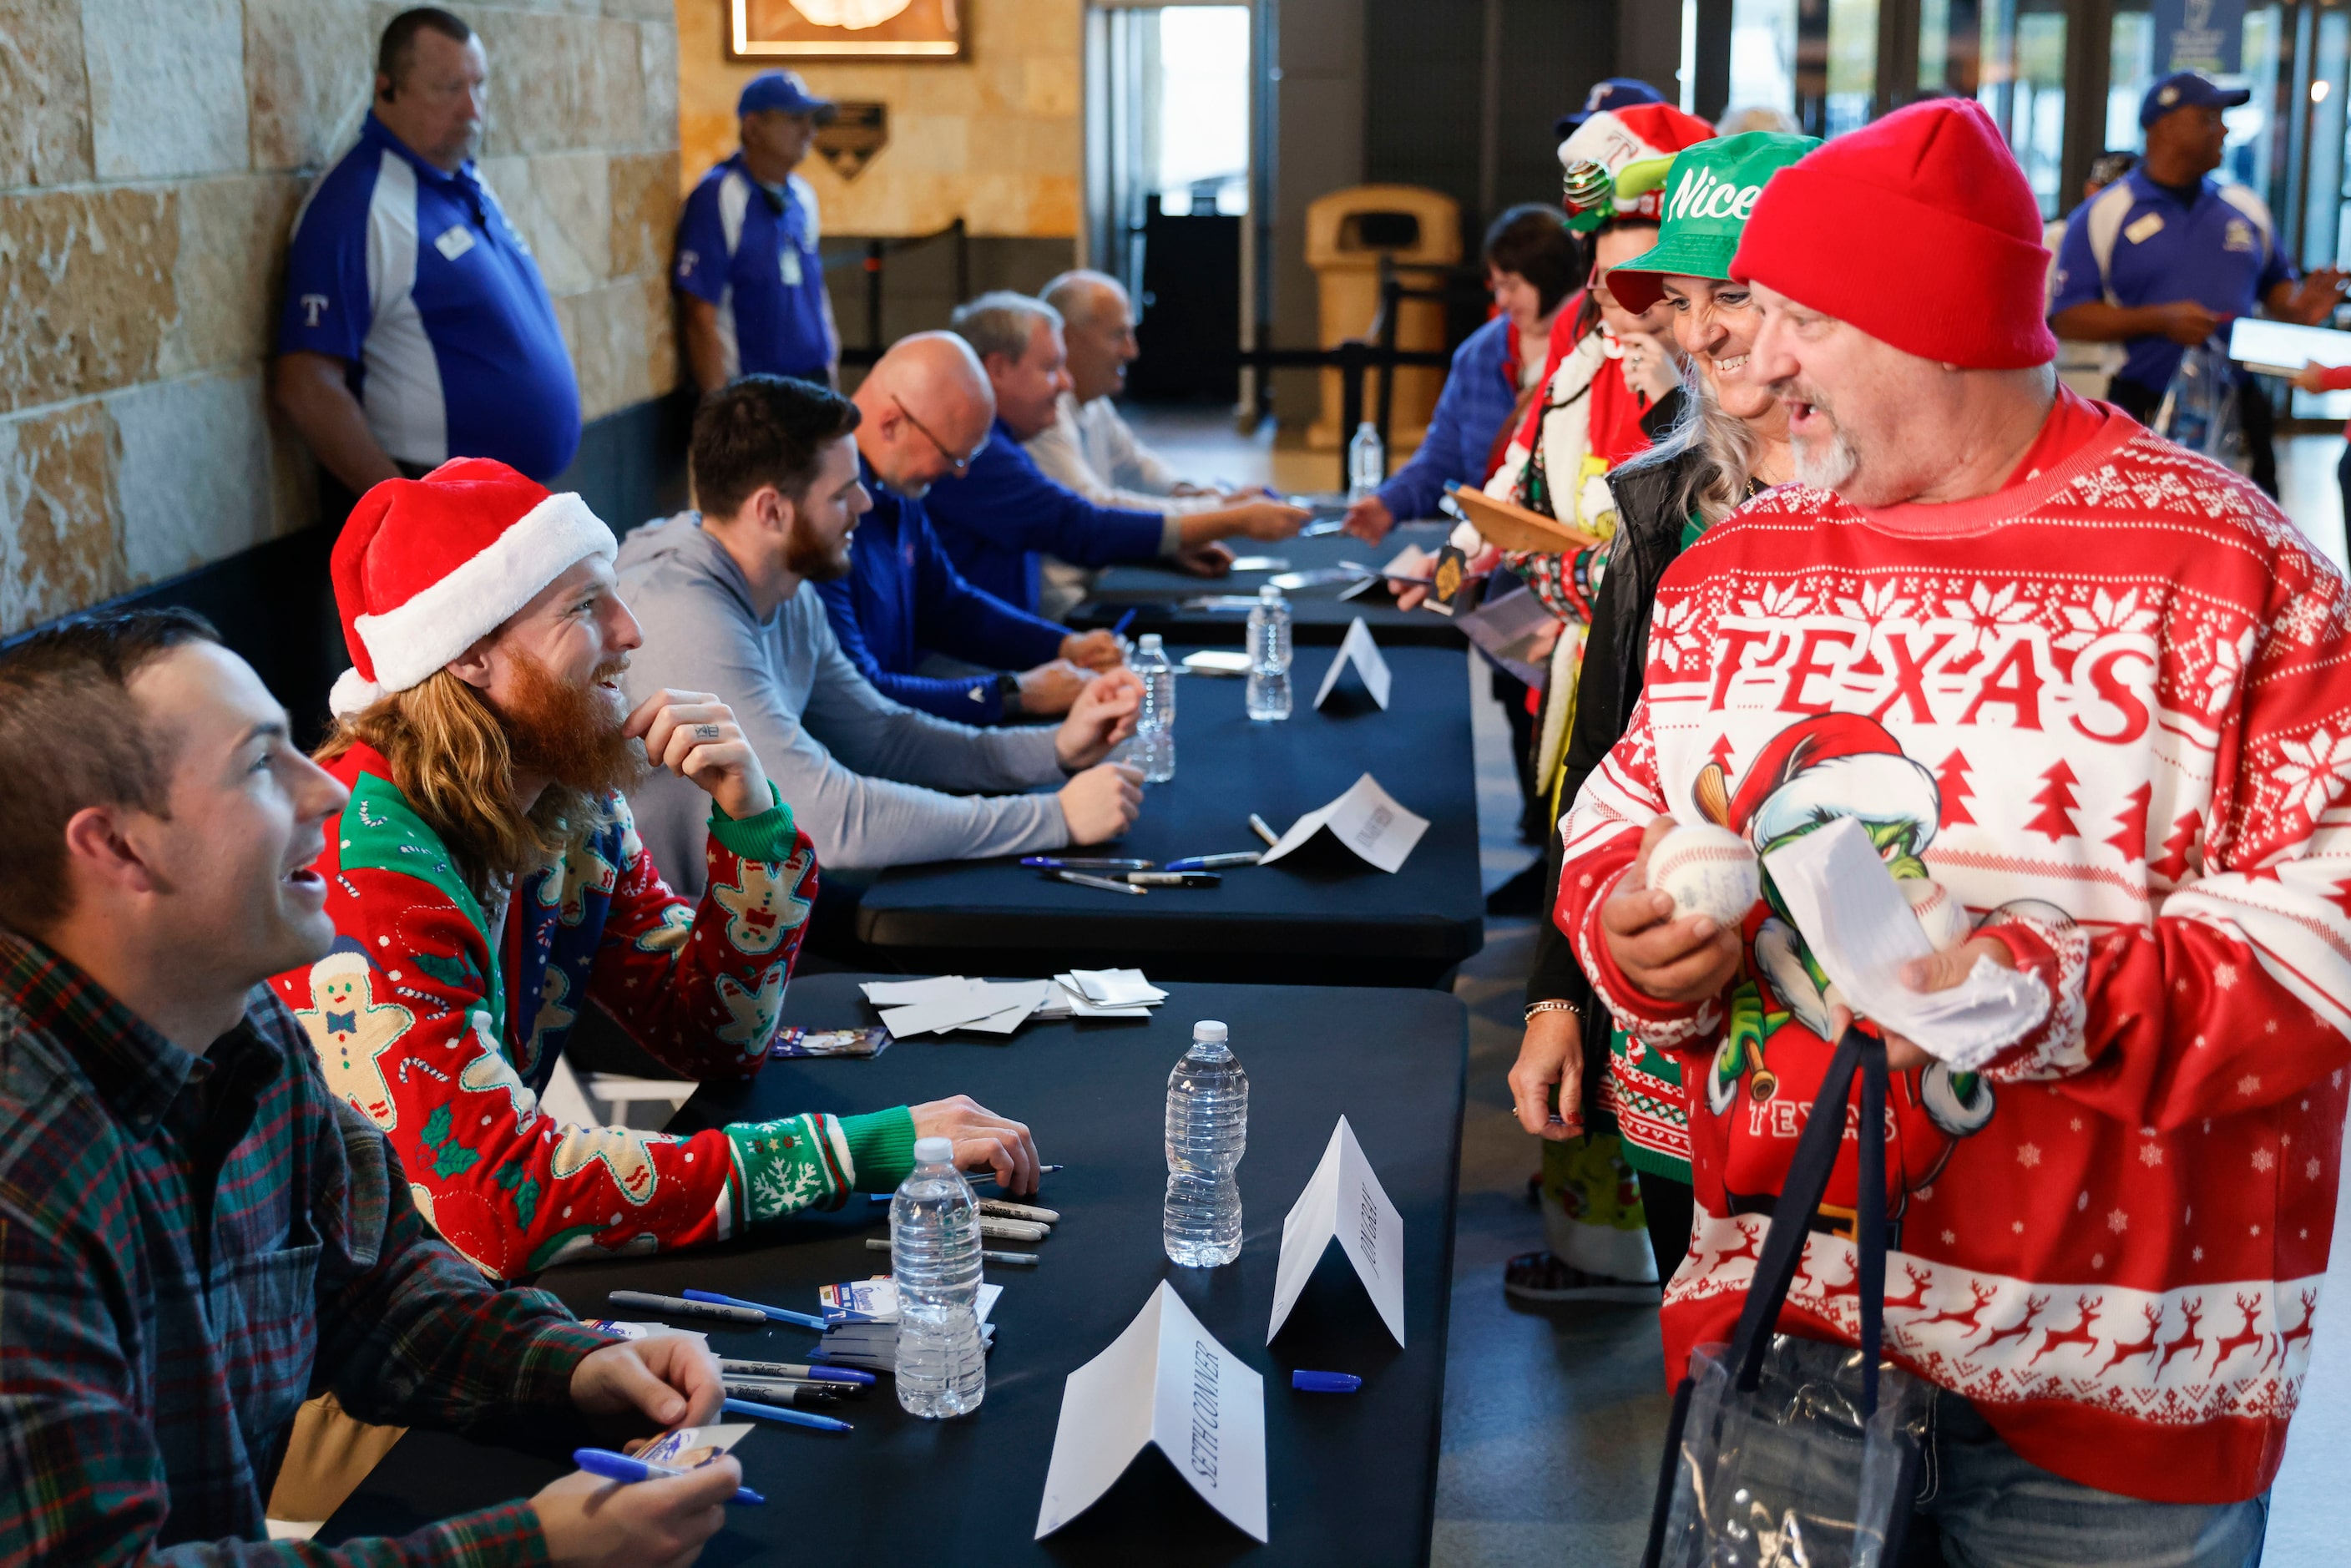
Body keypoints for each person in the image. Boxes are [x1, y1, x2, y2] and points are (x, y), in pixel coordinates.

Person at [1563, 98, 2351, 1555]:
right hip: (1786, 1335)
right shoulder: (1734, 566)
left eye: (1802, 317)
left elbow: (2325, 934)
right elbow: (1618, 814)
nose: (1756, 357)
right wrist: (1628, 930)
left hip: (2125, 1392)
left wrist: (2041, 995)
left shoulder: (2237, 571)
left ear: (1932, 321)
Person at [0, 609, 746, 1563]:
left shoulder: (243, 1026)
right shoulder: (22, 1168)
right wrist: (532, 1551)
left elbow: (377, 1290)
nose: (326, 790)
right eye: (261, 765)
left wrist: (579, 1365)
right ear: (117, 849)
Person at [272, 458, 1041, 1292]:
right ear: (468, 657)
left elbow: (711, 1036)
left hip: (444, 1308)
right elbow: (495, 1208)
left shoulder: (567, 798)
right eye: (581, 607)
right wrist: (867, 1150)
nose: (631, 630)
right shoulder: (362, 862)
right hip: (315, 1349)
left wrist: (752, 827)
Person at [1509, 130, 1812, 1301]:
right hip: (1670, 1024)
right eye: (1679, 301)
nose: (1697, 332)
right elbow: (1605, 770)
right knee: (1712, 1351)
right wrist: (1556, 993)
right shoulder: (1664, 497)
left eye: (1729, 290)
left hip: (1850, 1053)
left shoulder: (1899, 503)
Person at [1454, 98, 1715, 1302]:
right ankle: (1589, 1187)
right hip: (1591, 696)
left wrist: (1564, 570)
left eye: (1647, 279)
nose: (1627, 308)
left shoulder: (1693, 369)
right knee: (1583, 904)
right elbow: (1531, 454)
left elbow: (1644, 559)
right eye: (1607, 275)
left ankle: (1620, 1242)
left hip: (1667, 732)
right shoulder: (1587, 334)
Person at [617, 375, 1146, 878]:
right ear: (772, 511)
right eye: (844, 491)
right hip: (684, 942)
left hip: (753, 910)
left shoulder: (790, 588)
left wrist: (1054, 749)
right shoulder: (682, 617)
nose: (866, 504)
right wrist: (1054, 818)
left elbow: (884, 736)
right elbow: (828, 818)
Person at [276, 8, 580, 493]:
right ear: (386, 90)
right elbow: (306, 383)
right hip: (441, 503)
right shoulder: (355, 205)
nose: (473, 111)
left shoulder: (462, 177)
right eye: (448, 89)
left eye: (479, 85)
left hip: (522, 505)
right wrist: (406, 510)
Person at [2050, 70, 2345, 494]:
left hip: (2240, 403)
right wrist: (2160, 320)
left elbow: (2277, 289)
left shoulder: (2244, 207)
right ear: (2163, 126)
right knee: (2140, 533)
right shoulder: (2105, 213)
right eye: (2209, 118)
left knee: (2251, 530)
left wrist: (2300, 309)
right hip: (2140, 405)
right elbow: (2068, 318)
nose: (2223, 128)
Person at [924, 292, 1310, 615]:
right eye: (1050, 367)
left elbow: (1128, 475)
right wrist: (1230, 518)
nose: (1065, 383)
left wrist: (1172, 541)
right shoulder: (982, 451)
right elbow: (1084, 525)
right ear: (997, 370)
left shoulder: (1005, 438)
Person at [817, 333, 1129, 725]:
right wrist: (1014, 693)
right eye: (952, 455)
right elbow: (860, 698)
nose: (961, 473)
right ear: (893, 425)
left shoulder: (896, 485)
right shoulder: (824, 516)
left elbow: (948, 605)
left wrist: (1062, 645)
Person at [1340, 205, 1587, 544]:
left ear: (1550, 277)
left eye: (1512, 285)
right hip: (1485, 542)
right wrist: (1389, 503)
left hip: (1564, 547)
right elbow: (1443, 453)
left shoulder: (1597, 349)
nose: (1501, 300)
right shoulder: (1480, 354)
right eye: (1496, 285)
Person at [1026, 271, 1241, 617]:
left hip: (1097, 580)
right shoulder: (1040, 414)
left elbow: (1136, 465)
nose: (1131, 351)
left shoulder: (1092, 401)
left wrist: (1192, 495)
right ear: (1067, 338)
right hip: (1063, 609)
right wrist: (1225, 515)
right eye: (1119, 335)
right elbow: (1094, 509)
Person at [675, 70, 843, 392]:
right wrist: (719, 410)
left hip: (811, 384)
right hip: (754, 393)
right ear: (753, 127)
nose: (809, 132)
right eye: (795, 119)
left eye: (813, 121)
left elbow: (815, 293)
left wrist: (831, 372)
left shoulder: (802, 197)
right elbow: (699, 312)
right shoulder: (721, 194)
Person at [2046, 150, 2140, 397]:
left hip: (2124, 374)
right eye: (2106, 191)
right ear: (2090, 189)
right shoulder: (2057, 237)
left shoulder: (2149, 244)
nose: (2116, 204)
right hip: (2064, 372)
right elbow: (2051, 319)